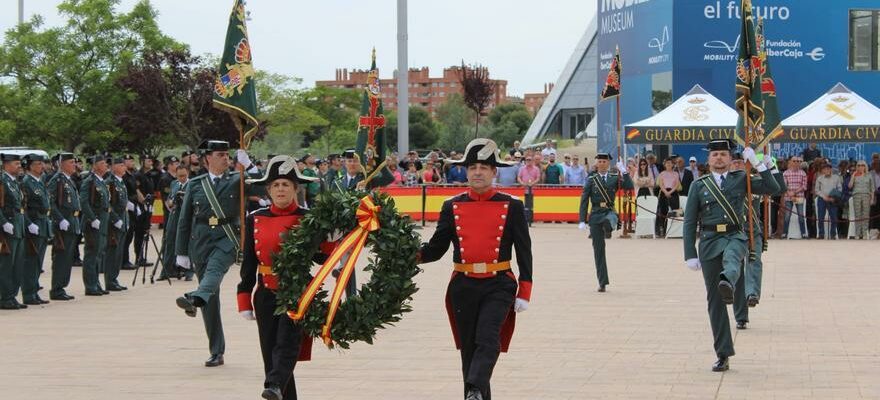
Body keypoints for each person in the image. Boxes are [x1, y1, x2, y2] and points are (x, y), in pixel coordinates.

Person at [418, 138, 532, 400]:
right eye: (472, 167)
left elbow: (524, 252)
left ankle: (474, 388)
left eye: (483, 167)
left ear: (494, 172)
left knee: (488, 339)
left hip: (499, 282)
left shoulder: (512, 206)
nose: (477, 172)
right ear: (466, 172)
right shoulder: (452, 206)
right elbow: (436, 249)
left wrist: (525, 291)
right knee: (469, 349)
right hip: (463, 284)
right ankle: (476, 393)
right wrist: (405, 255)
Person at [682, 140, 780, 372]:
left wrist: (759, 164)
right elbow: (689, 221)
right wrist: (689, 253)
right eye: (715, 154)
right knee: (714, 302)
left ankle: (728, 282)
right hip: (708, 242)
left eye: (723, 154)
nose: (718, 158)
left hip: (735, 235)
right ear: (709, 160)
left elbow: (774, 189)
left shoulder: (741, 178)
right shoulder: (699, 185)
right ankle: (723, 353)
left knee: (733, 261)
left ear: (730, 158)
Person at [237, 156, 326, 400]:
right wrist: (244, 297)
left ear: (296, 189)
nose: (280, 189)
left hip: (296, 292)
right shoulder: (256, 217)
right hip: (265, 294)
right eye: (276, 185)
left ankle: (274, 384)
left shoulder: (309, 218)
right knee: (270, 352)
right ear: (268, 190)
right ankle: (279, 389)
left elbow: (320, 257)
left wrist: (332, 238)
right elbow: (249, 262)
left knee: (286, 346)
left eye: (286, 185)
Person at [174, 140, 260, 367]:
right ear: (207, 159)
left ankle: (195, 297)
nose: (226, 158)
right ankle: (216, 350)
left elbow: (263, 187)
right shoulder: (195, 184)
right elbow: (184, 220)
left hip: (228, 237)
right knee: (210, 300)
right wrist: (181, 251)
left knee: (215, 270)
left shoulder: (237, 180)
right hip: (201, 240)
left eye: (227, 154)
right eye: (220, 154)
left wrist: (249, 166)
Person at [732, 154, 786, 330]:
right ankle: (741, 315)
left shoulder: (753, 181)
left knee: (754, 261)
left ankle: (752, 294)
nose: (739, 165)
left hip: (753, 230)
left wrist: (771, 167)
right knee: (737, 274)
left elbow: (778, 189)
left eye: (742, 162)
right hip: (734, 232)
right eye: (735, 162)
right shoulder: (726, 184)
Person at [578, 153, 633, 292]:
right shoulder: (591, 179)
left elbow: (629, 186)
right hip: (596, 214)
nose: (601, 164)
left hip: (609, 212)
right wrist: (582, 220)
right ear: (596, 163)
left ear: (608, 163)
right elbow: (584, 200)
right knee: (598, 250)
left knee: (610, 220)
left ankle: (608, 228)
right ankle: (602, 282)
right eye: (599, 161)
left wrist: (624, 171)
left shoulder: (614, 178)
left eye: (604, 161)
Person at [47, 153, 81, 301]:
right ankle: (56, 288)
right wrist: (60, 219)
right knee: (61, 257)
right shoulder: (57, 180)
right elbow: (51, 202)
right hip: (63, 224)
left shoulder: (69, 180)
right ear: (62, 164)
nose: (74, 165)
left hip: (72, 222)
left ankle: (61, 287)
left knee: (67, 258)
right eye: (71, 162)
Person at [19, 154, 51, 305]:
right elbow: (23, 207)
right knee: (30, 261)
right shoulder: (27, 182)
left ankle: (34, 290)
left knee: (38, 261)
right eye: (38, 164)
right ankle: (28, 294)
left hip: (43, 223)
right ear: (30, 166)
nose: (42, 167)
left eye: (42, 164)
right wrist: (29, 223)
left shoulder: (39, 181)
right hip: (33, 223)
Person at [80, 154, 112, 297]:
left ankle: (96, 284)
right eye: (103, 163)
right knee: (92, 255)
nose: (106, 165)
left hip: (103, 221)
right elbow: (84, 202)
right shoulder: (89, 181)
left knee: (99, 254)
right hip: (94, 223)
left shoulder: (101, 181)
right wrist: (92, 218)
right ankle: (90, 285)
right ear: (95, 166)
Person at [159, 165, 191, 281]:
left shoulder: (191, 184)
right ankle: (166, 271)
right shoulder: (174, 184)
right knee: (169, 243)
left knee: (186, 243)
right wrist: (171, 203)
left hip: (185, 217)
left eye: (184, 175)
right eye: (179, 176)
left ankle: (188, 271)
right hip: (173, 216)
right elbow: (168, 200)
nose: (182, 178)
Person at [814, 163, 842, 240]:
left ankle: (833, 234)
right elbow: (817, 190)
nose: (827, 170)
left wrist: (834, 197)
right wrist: (824, 197)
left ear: (831, 169)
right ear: (822, 170)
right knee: (820, 217)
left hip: (832, 199)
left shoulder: (836, 178)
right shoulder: (819, 178)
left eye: (828, 168)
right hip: (822, 199)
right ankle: (821, 234)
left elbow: (839, 189)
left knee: (834, 218)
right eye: (825, 169)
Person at [782, 157, 808, 239]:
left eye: (799, 161)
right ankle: (784, 233)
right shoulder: (785, 173)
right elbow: (784, 186)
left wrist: (794, 192)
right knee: (787, 216)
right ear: (790, 162)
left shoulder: (803, 173)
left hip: (799, 196)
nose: (796, 162)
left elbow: (804, 186)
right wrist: (790, 193)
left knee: (801, 215)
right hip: (788, 196)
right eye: (794, 161)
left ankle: (803, 233)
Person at [849, 160, 875, 239]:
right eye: (859, 165)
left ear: (865, 166)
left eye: (862, 165)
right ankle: (857, 233)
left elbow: (872, 188)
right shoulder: (855, 175)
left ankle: (864, 233)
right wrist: (853, 175)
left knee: (865, 215)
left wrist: (872, 199)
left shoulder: (869, 175)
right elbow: (850, 186)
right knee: (858, 215)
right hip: (856, 195)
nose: (860, 167)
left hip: (866, 195)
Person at [656, 156, 682, 237]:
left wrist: (670, 192)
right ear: (665, 164)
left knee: (674, 211)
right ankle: (662, 229)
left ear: (673, 164)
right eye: (667, 163)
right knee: (662, 211)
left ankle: (673, 230)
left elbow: (677, 184)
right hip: (664, 192)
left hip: (673, 192)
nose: (668, 164)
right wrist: (665, 192)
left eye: (670, 163)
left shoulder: (676, 173)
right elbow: (660, 184)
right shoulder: (662, 173)